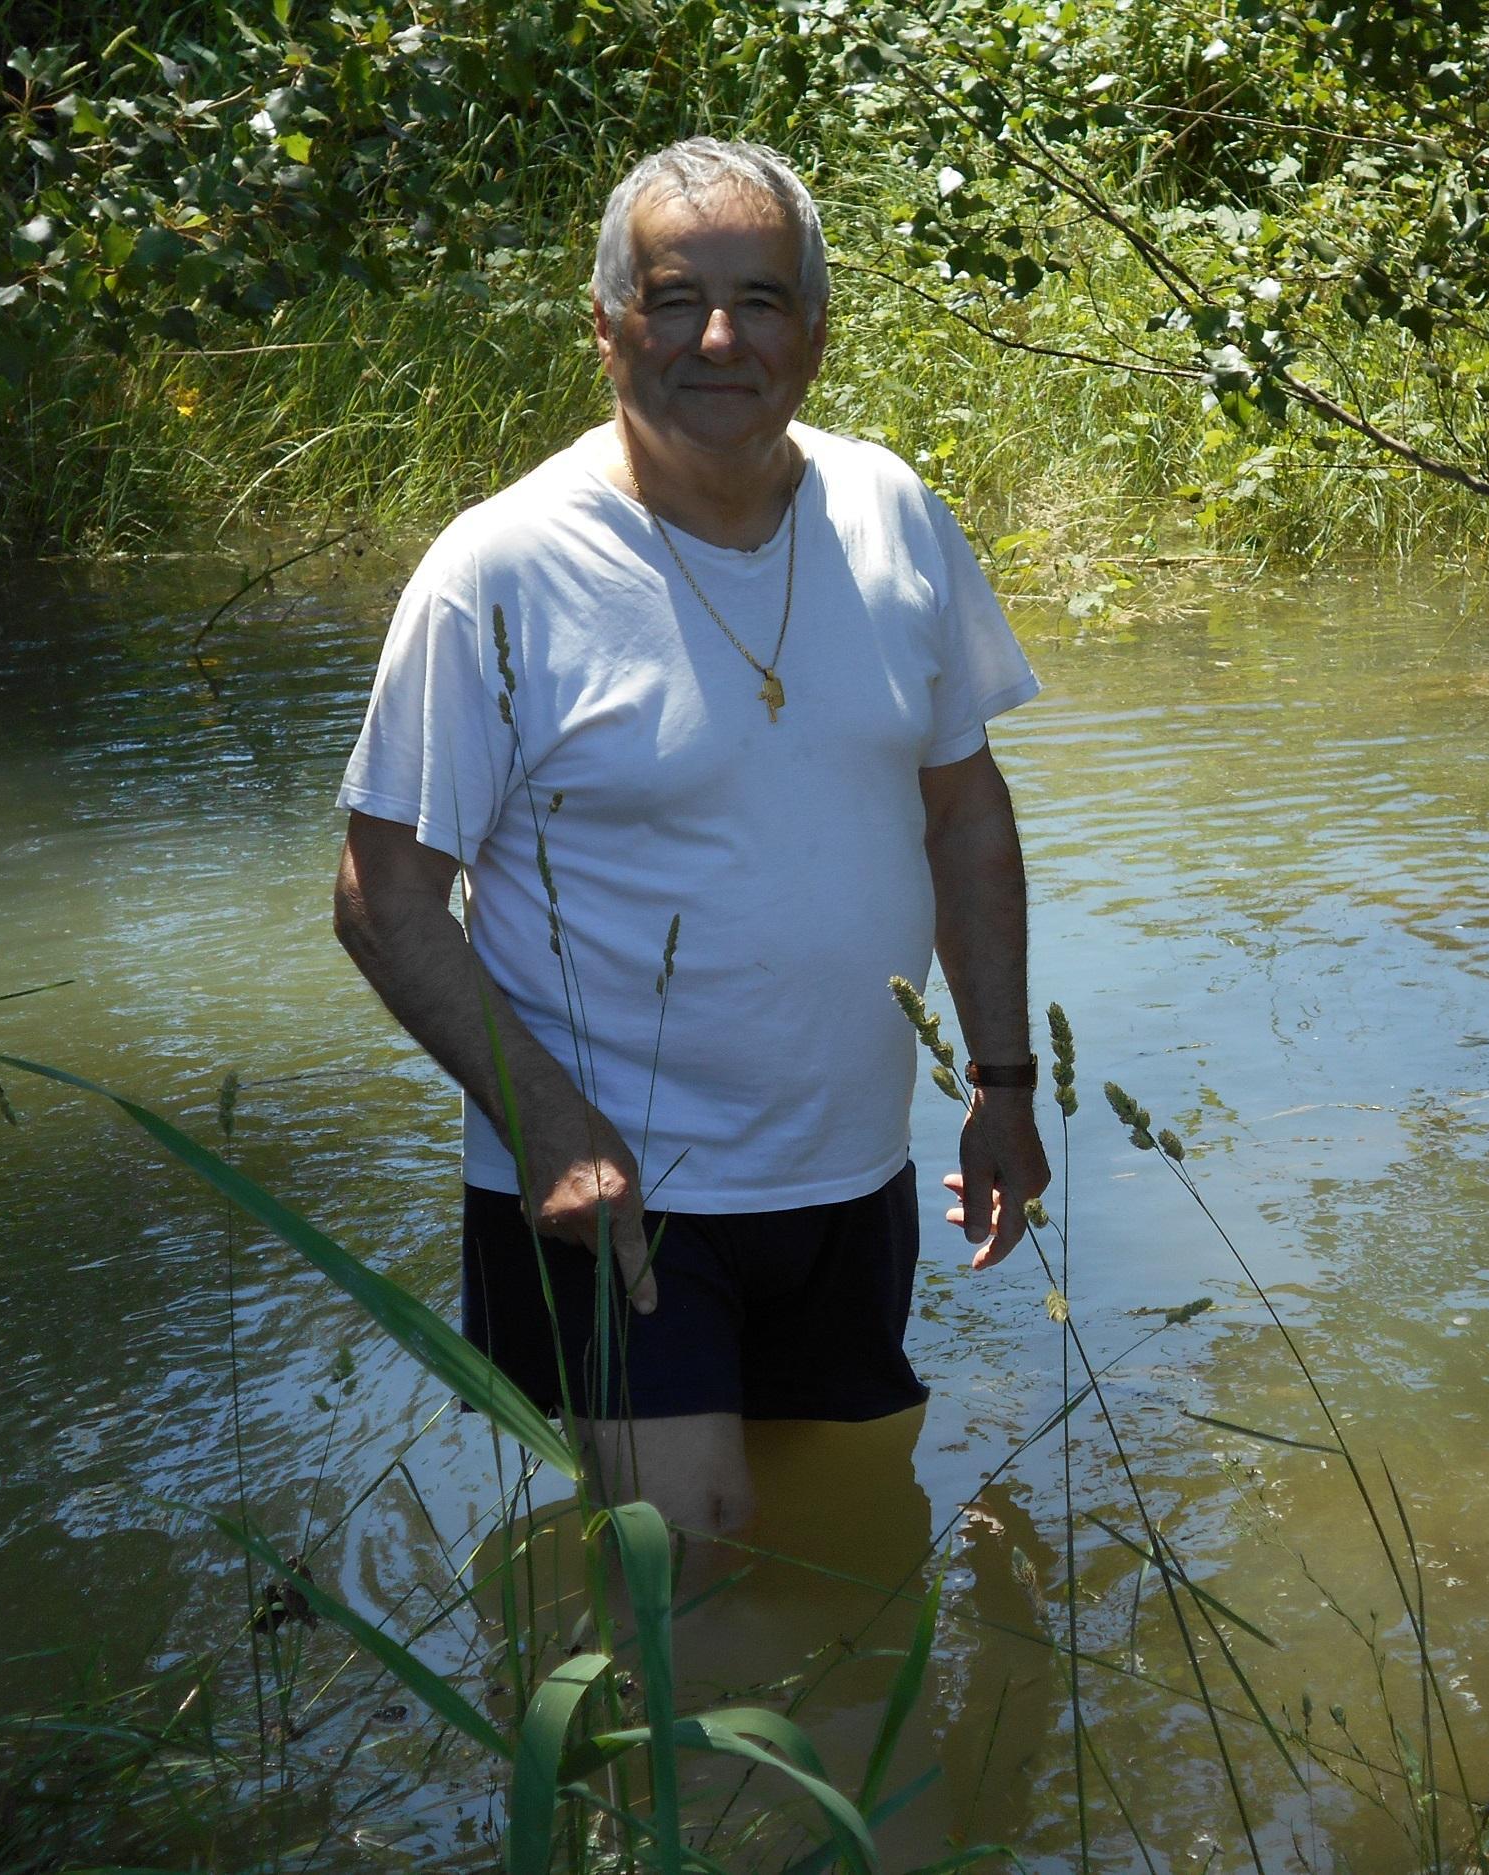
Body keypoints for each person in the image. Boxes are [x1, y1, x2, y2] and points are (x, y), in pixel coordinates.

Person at [331, 137, 1050, 1545]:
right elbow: (382, 893)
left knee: (852, 1559)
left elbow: (964, 812)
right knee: (696, 1589)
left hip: (853, 1175)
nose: (719, 339)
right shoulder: (504, 566)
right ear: (606, 328)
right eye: (674, 299)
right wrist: (550, 1129)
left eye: (761, 300)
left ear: (817, 333)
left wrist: (1003, 1079)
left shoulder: (893, 514)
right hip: (616, 1201)